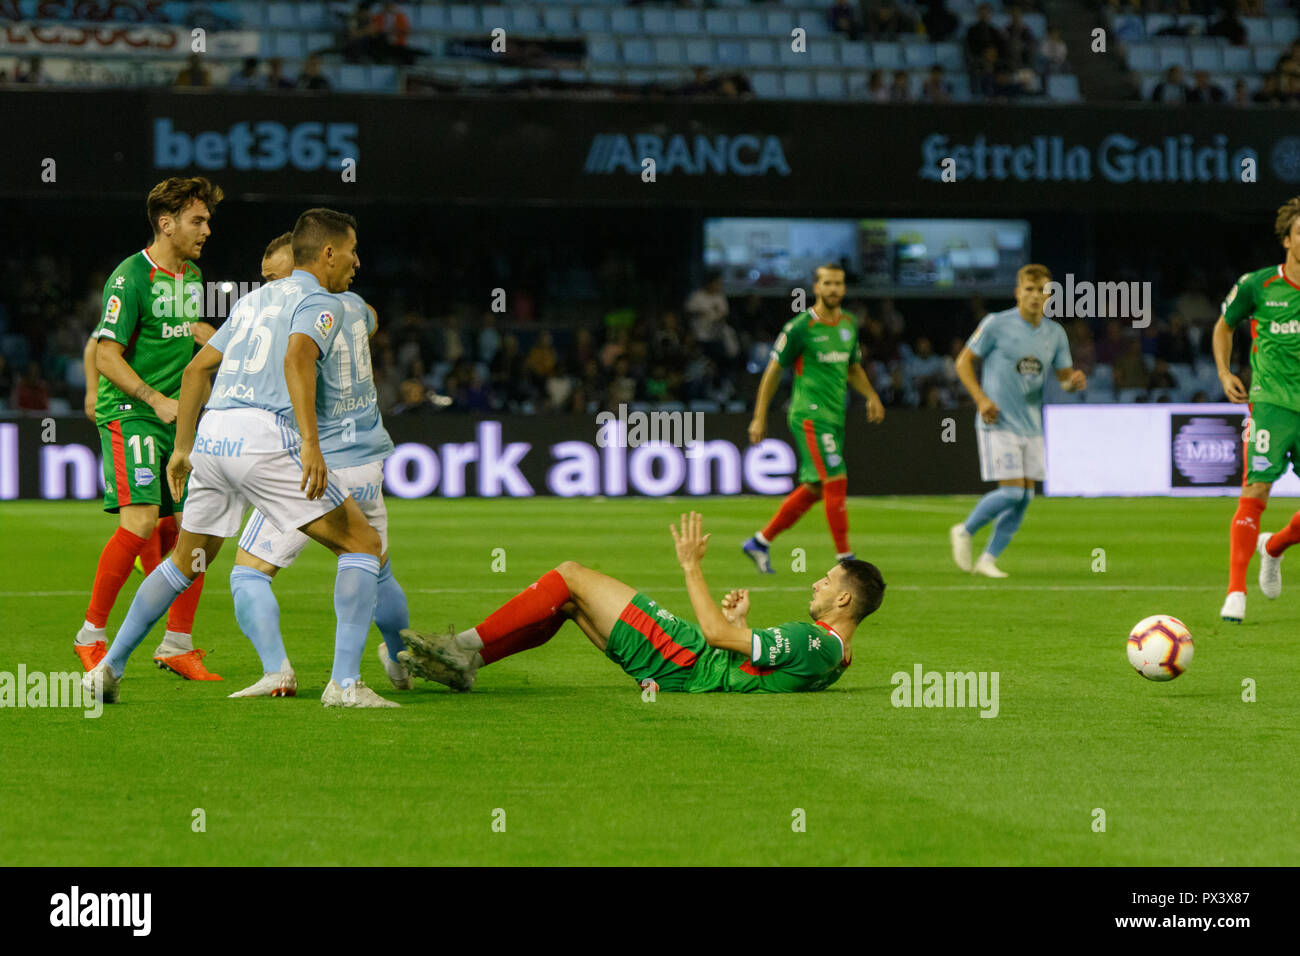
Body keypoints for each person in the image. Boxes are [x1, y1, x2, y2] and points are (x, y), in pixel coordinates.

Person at [83, 209, 392, 708]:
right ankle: (346, 684)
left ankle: (108, 667)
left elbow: (195, 373)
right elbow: (298, 358)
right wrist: (311, 444)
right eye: (351, 251)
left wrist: (183, 448)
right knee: (362, 542)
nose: (355, 262)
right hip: (265, 438)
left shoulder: (253, 301)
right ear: (327, 254)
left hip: (214, 437)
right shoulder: (319, 301)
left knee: (184, 562)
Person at [178, 235, 412, 698]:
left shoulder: (297, 319)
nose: (270, 286)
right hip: (367, 462)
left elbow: (286, 363)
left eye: (275, 276)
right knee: (374, 565)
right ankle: (401, 658)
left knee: (248, 572)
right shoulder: (354, 307)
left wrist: (229, 342)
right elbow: (371, 320)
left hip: (314, 464)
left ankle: (280, 672)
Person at [398, 512, 885, 695]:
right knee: (567, 602)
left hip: (687, 656)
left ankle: (457, 646)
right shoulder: (837, 653)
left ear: (844, 597)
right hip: (692, 663)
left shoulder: (813, 640)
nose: (815, 586)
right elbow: (770, 669)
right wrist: (743, 627)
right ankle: (469, 662)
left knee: (568, 574)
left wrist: (692, 565)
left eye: (826, 581)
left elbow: (715, 637)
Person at [74, 177, 224, 681]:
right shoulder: (129, 276)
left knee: (194, 531)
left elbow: (182, 338)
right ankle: (91, 636)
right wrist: (153, 398)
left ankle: (177, 642)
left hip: (177, 422)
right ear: (166, 223)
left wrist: (216, 336)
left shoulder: (193, 276)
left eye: (206, 220)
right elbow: (105, 351)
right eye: (197, 220)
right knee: (140, 524)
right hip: (134, 413)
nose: (207, 229)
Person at [743, 264, 886, 573]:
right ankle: (845, 558)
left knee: (815, 488)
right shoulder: (799, 327)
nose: (833, 289)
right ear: (816, 287)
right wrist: (759, 416)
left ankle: (760, 541)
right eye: (827, 283)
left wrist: (871, 395)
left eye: (838, 283)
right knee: (836, 478)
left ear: (844, 288)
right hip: (809, 415)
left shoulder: (848, 324)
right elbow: (773, 370)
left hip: (835, 416)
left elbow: (852, 368)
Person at [950, 264, 1086, 577]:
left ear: (1050, 295)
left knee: (1025, 496)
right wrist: (982, 399)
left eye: (1042, 291)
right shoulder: (996, 324)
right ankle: (965, 530)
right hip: (998, 419)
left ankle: (987, 560)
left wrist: (1072, 382)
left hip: (1031, 424)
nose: (1036, 296)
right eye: (1029, 289)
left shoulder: (1055, 333)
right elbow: (963, 362)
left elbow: (1063, 378)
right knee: (1012, 491)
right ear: (1017, 292)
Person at [1213, 196, 1300, 623]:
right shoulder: (1258, 285)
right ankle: (1235, 591)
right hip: (1270, 403)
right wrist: (1225, 372)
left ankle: (1275, 546)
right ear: (1287, 240)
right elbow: (1224, 326)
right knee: (1256, 491)